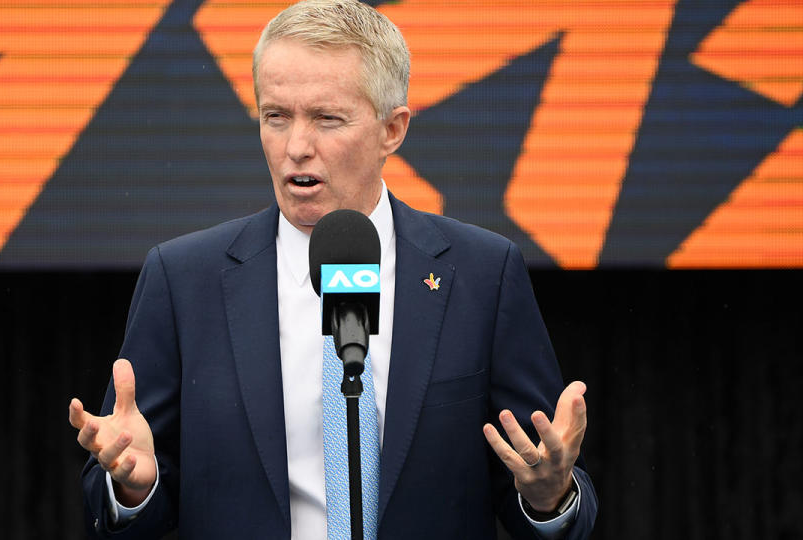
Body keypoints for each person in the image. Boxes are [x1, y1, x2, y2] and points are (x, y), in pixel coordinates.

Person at [68, 1, 598, 538]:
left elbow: (540, 483)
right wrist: (135, 487)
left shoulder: (483, 274)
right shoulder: (184, 280)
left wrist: (550, 496)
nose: (296, 147)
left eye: (326, 119)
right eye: (276, 117)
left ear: (393, 129)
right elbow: (116, 497)